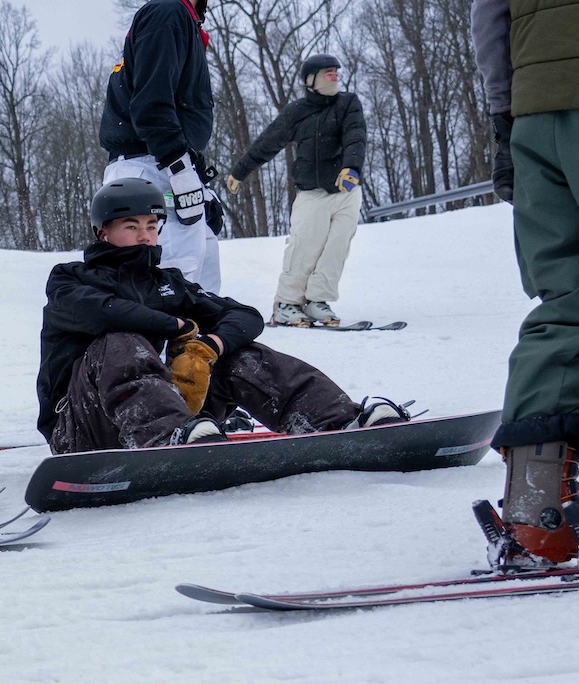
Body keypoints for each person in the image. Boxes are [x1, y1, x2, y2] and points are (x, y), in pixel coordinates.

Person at [469, 0, 579, 569]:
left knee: (569, 303)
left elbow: (487, 16)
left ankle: (535, 515)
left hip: (536, 112)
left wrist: (507, 115)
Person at [38, 178, 406, 454]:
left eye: (152, 226)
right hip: (79, 428)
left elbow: (244, 316)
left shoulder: (167, 284)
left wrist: (212, 344)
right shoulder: (70, 279)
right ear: (103, 232)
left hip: (167, 415)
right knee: (119, 343)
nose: (145, 236)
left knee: (239, 353)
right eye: (132, 227)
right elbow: (103, 312)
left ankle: (336, 421)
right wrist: (175, 325)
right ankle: (168, 437)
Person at [225, 54, 366, 328]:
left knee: (336, 249)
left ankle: (317, 301)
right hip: (312, 193)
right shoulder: (297, 111)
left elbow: (355, 135)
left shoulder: (348, 103)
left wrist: (351, 167)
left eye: (337, 71)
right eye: (328, 72)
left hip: (346, 191)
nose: (335, 75)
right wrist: (239, 171)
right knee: (304, 247)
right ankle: (287, 304)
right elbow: (268, 142)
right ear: (310, 80)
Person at [99, 0, 223, 292]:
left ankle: (199, 339)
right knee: (171, 283)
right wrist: (179, 168)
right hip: (152, 166)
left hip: (162, 161)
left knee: (201, 288)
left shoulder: (181, 19)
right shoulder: (168, 12)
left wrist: (196, 172)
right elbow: (150, 103)